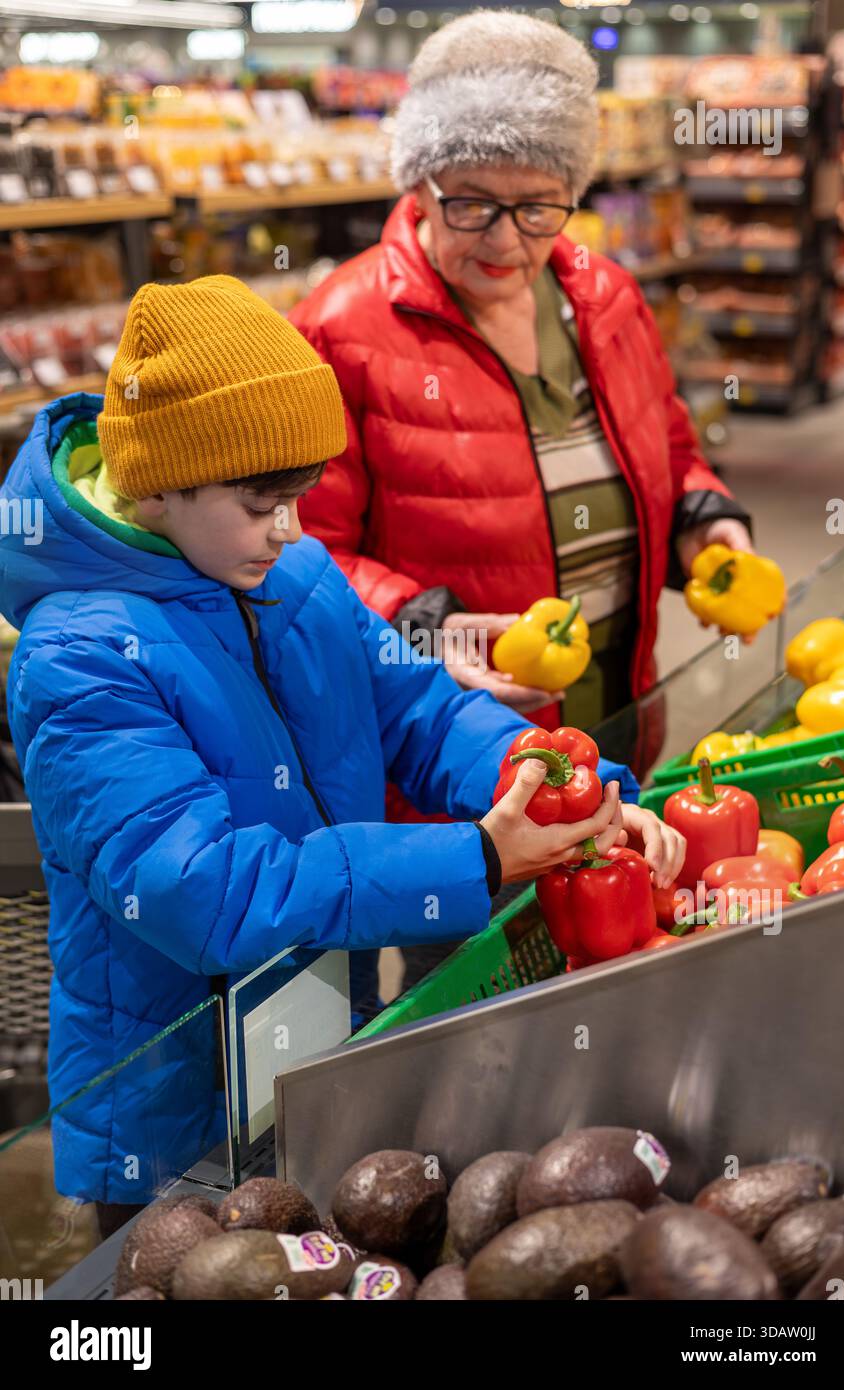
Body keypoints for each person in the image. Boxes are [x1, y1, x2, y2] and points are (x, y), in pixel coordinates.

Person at [0, 275, 684, 1223]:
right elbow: (205, 892)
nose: (290, 527)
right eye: (259, 501)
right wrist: (477, 857)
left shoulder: (301, 574)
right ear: (160, 482)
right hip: (175, 1126)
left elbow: (422, 713)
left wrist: (570, 787)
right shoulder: (75, 658)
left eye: (299, 495)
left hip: (318, 1051)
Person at [291, 10, 752, 985]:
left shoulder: (605, 295)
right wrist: (431, 622)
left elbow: (665, 443)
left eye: (539, 205)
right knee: (472, 1020)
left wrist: (707, 526)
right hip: (460, 787)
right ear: (419, 182)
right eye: (472, 204)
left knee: (620, 978)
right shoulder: (341, 326)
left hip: (621, 726)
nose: (507, 239)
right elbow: (300, 554)